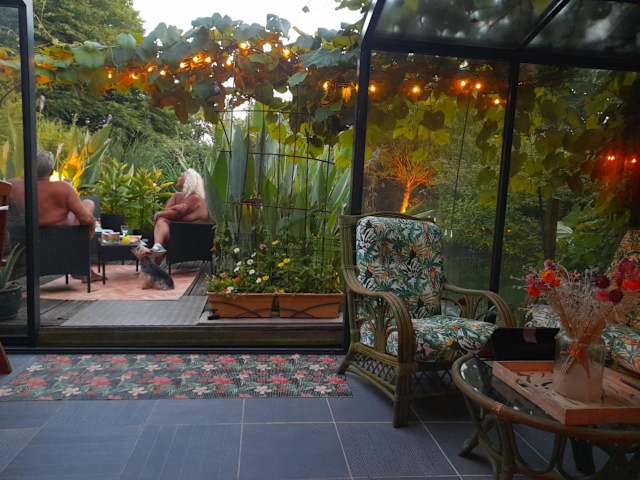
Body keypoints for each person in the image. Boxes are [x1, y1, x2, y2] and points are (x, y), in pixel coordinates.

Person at [11, 151, 96, 229]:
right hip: (61, 234)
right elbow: (85, 220)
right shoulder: (63, 188)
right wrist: (92, 221)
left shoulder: (13, 186)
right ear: (51, 172)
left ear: (29, 168)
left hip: (25, 234)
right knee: (88, 203)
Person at [150, 168, 209, 253]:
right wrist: (173, 209)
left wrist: (160, 213)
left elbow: (177, 213)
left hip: (193, 235)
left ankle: (158, 247)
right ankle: (158, 247)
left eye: (181, 176)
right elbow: (167, 212)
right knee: (162, 220)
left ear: (188, 181)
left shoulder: (195, 198)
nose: (178, 178)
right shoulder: (177, 196)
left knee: (161, 219)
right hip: (179, 231)